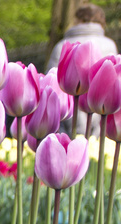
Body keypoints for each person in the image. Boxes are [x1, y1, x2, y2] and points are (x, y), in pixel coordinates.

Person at [47, 4, 118, 136]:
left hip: (67, 118)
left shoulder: (62, 45)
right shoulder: (109, 45)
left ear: (77, 20)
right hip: (99, 116)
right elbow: (112, 86)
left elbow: (51, 84)